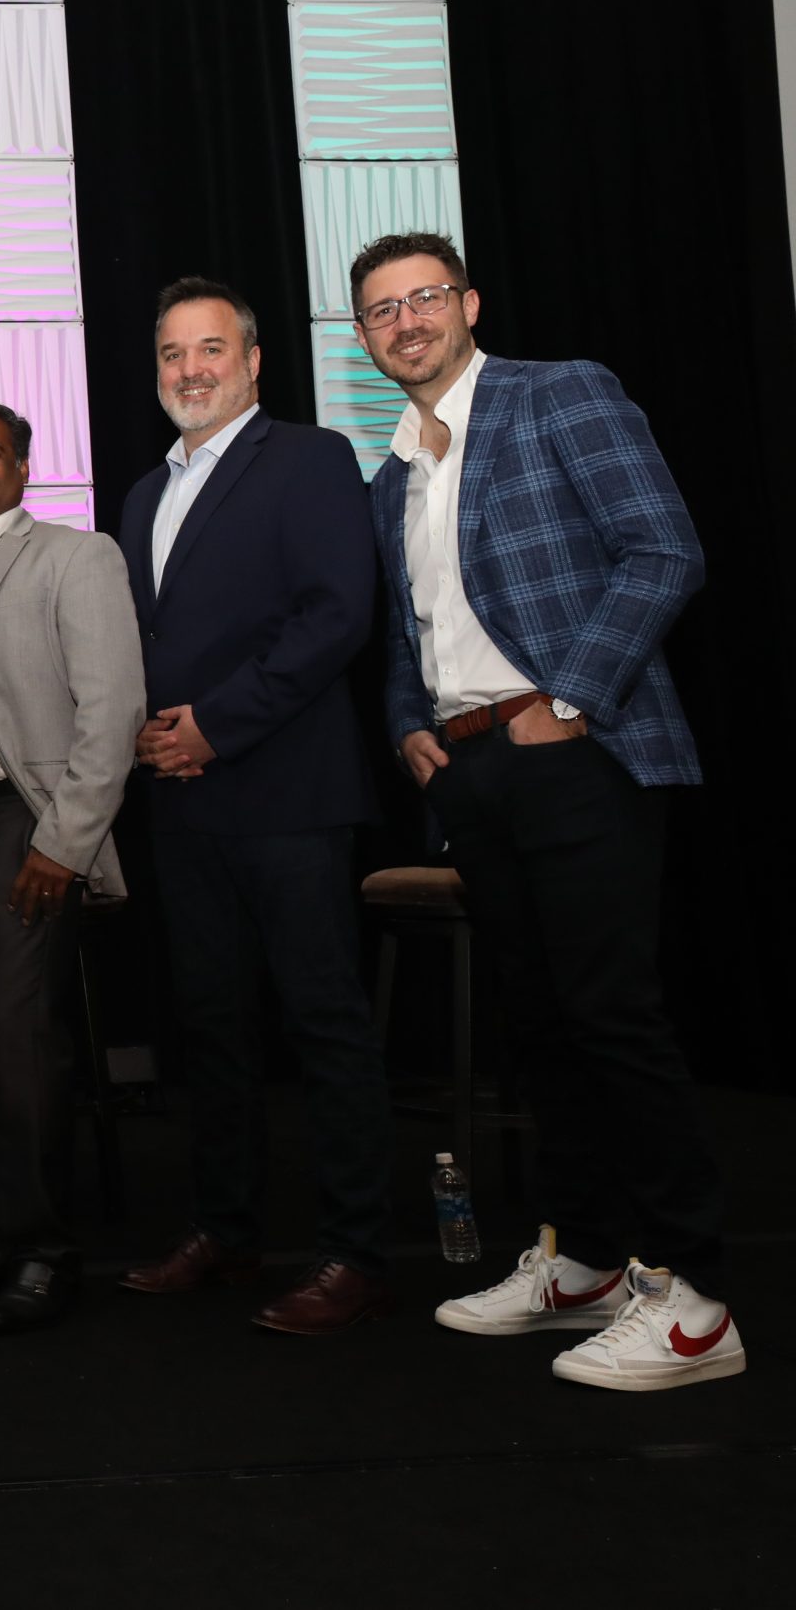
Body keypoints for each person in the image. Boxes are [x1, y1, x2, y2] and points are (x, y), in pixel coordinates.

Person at [351, 230, 741, 1390]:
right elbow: (411, 628)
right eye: (380, 311)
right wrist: (408, 729)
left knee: (611, 1017)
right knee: (542, 1030)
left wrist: (568, 698)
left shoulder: (556, 394)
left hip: (579, 751)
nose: (405, 322)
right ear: (363, 338)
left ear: (468, 303)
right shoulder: (391, 476)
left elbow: (662, 550)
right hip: (471, 772)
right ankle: (583, 1265)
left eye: (423, 297)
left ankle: (694, 1300)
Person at [115, 279, 392, 1335]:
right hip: (182, 802)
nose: (190, 369)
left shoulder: (312, 459)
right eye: (172, 353)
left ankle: (357, 1252)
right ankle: (225, 1230)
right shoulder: (144, 493)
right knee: (211, 1026)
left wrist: (216, 725)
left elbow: (336, 615)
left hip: (288, 792)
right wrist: (145, 732)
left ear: (254, 360)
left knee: (324, 1023)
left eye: (210, 349)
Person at [0, 397, 142, 1333]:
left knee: (21, 1047)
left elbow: (113, 712)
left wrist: (63, 843)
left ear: (22, 468)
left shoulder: (76, 558)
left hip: (25, 824)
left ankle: (47, 1250)